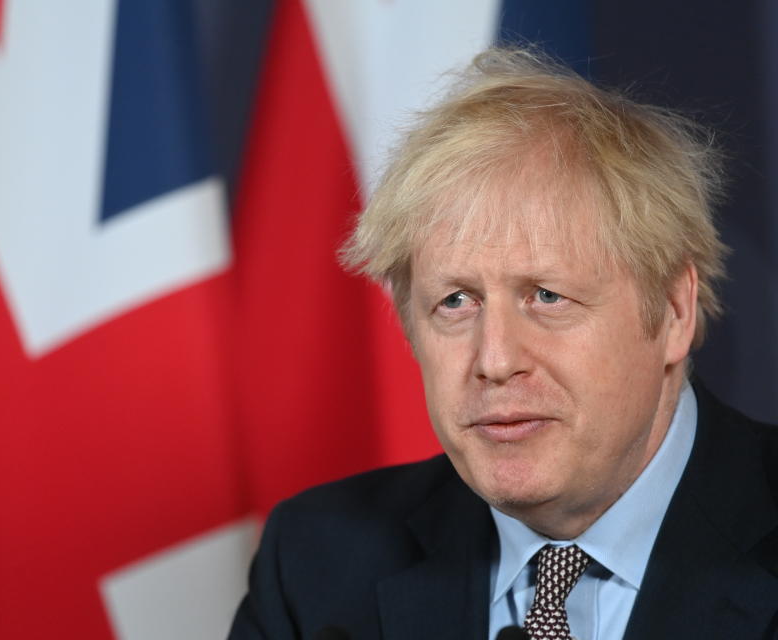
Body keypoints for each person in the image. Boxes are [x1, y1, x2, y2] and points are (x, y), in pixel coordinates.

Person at [228, 47, 778, 640]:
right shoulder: (315, 565)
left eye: (546, 296)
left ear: (673, 309)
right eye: (456, 302)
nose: (494, 361)